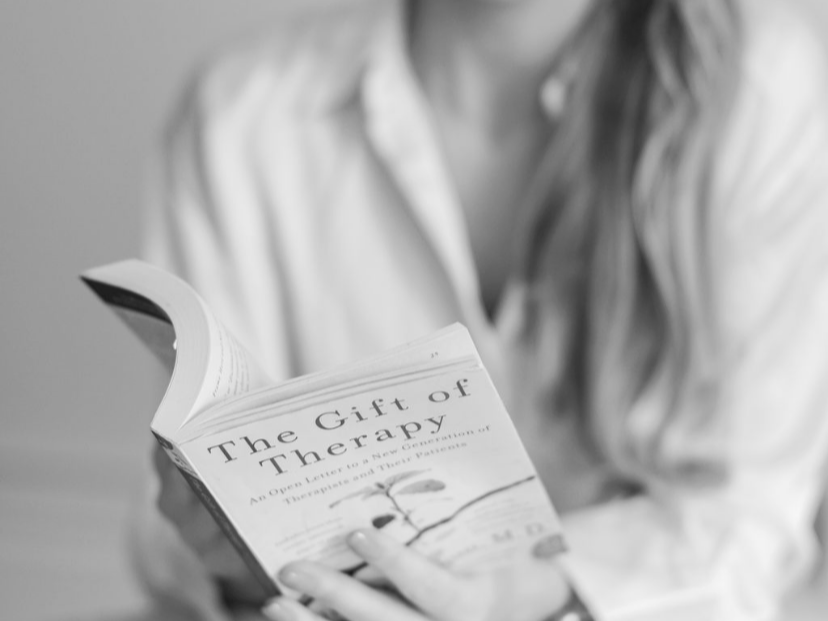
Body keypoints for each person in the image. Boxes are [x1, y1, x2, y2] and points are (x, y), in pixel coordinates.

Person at [134, 0, 828, 619]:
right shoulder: (241, 117)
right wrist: (232, 565)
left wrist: (535, 592)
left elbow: (750, 527)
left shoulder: (766, 89)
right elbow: (178, 544)